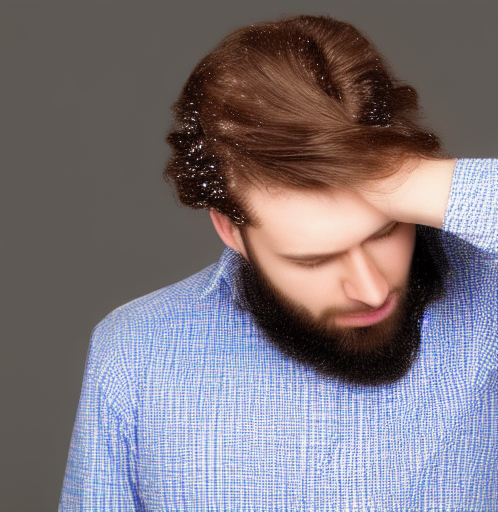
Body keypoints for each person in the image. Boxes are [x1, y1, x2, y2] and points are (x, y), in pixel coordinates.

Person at [59, 15, 497, 511]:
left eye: (386, 231)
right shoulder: (136, 353)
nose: (372, 290)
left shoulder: (489, 295)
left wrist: (405, 176)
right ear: (230, 230)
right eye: (312, 260)